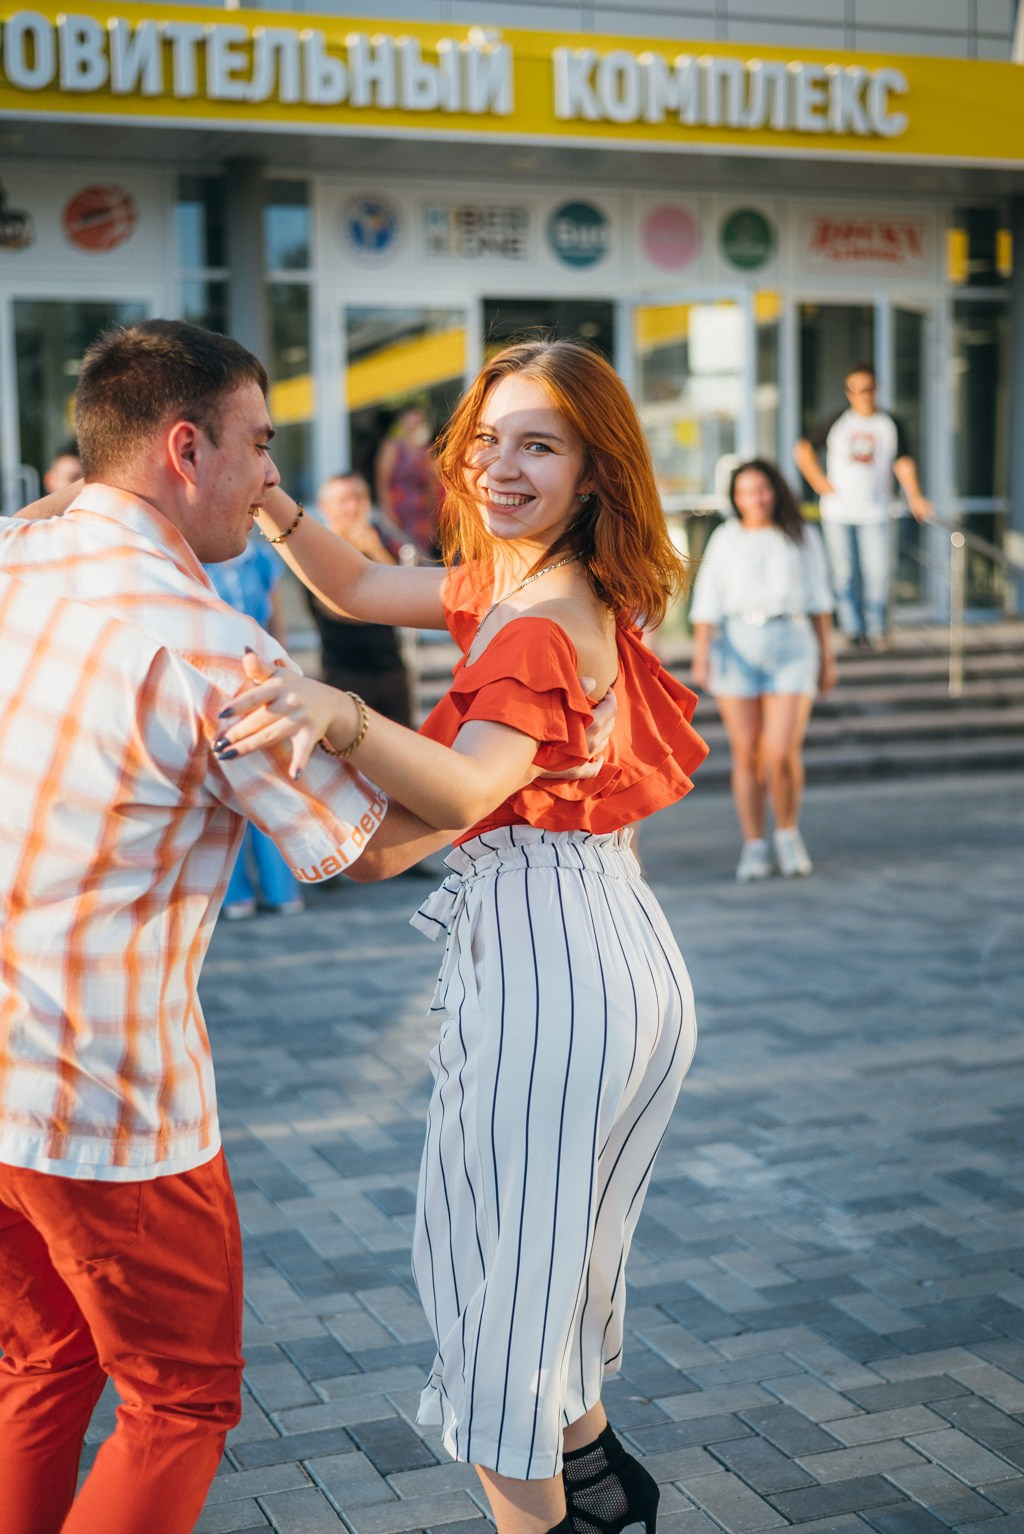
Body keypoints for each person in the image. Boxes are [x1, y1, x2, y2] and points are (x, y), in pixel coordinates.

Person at [213, 338, 709, 1534]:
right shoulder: (534, 578)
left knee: (492, 1297)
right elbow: (353, 584)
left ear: (596, 469)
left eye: (538, 443)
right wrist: (263, 490)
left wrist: (340, 716)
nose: (498, 465)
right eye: (486, 438)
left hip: (556, 966)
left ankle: (557, 1514)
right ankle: (599, 1490)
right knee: (539, 1273)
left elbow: (466, 788)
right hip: (598, 944)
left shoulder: (539, 614)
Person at [0, 318, 417, 1534]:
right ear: (187, 447)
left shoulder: (16, 551)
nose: (273, 475)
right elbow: (370, 842)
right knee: (179, 1399)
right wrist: (530, 763)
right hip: (109, 1100)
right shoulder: (209, 646)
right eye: (262, 445)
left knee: (40, 1366)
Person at [690, 459, 836, 882]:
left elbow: (819, 600)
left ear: (775, 490)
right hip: (736, 645)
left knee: (779, 751)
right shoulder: (725, 537)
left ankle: (787, 833)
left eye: (762, 489)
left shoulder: (803, 535)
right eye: (744, 491)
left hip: (792, 644)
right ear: (734, 497)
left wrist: (827, 657)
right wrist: (702, 654)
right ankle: (755, 844)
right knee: (747, 754)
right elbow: (708, 598)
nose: (754, 498)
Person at [793, 362, 933, 650]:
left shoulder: (889, 424)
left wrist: (915, 496)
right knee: (844, 574)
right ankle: (853, 630)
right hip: (838, 512)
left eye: (866, 389)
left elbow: (903, 462)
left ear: (876, 389)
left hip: (877, 510)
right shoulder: (837, 421)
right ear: (847, 392)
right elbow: (803, 448)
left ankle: (877, 629)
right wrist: (819, 482)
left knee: (878, 573)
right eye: (854, 390)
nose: (861, 395)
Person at [204, 534, 306, 919]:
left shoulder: (261, 559)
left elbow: (275, 618)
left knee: (273, 784)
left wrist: (287, 673)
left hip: (261, 680)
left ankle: (282, 887)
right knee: (227, 784)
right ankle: (234, 893)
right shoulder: (199, 556)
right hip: (215, 685)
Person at [309, 471, 414, 727]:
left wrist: (376, 552)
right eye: (344, 500)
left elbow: (405, 596)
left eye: (360, 498)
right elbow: (336, 609)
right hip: (345, 674)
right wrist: (384, 606)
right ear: (325, 508)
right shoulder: (315, 550)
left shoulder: (380, 544)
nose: (353, 507)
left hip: (391, 670)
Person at [374, 402, 443, 558]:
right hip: (399, 511)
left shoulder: (426, 450)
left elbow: (432, 485)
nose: (414, 427)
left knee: (421, 556)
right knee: (398, 553)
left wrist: (434, 521)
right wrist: (390, 512)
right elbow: (383, 481)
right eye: (411, 423)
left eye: (418, 423)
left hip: (421, 514)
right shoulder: (392, 446)